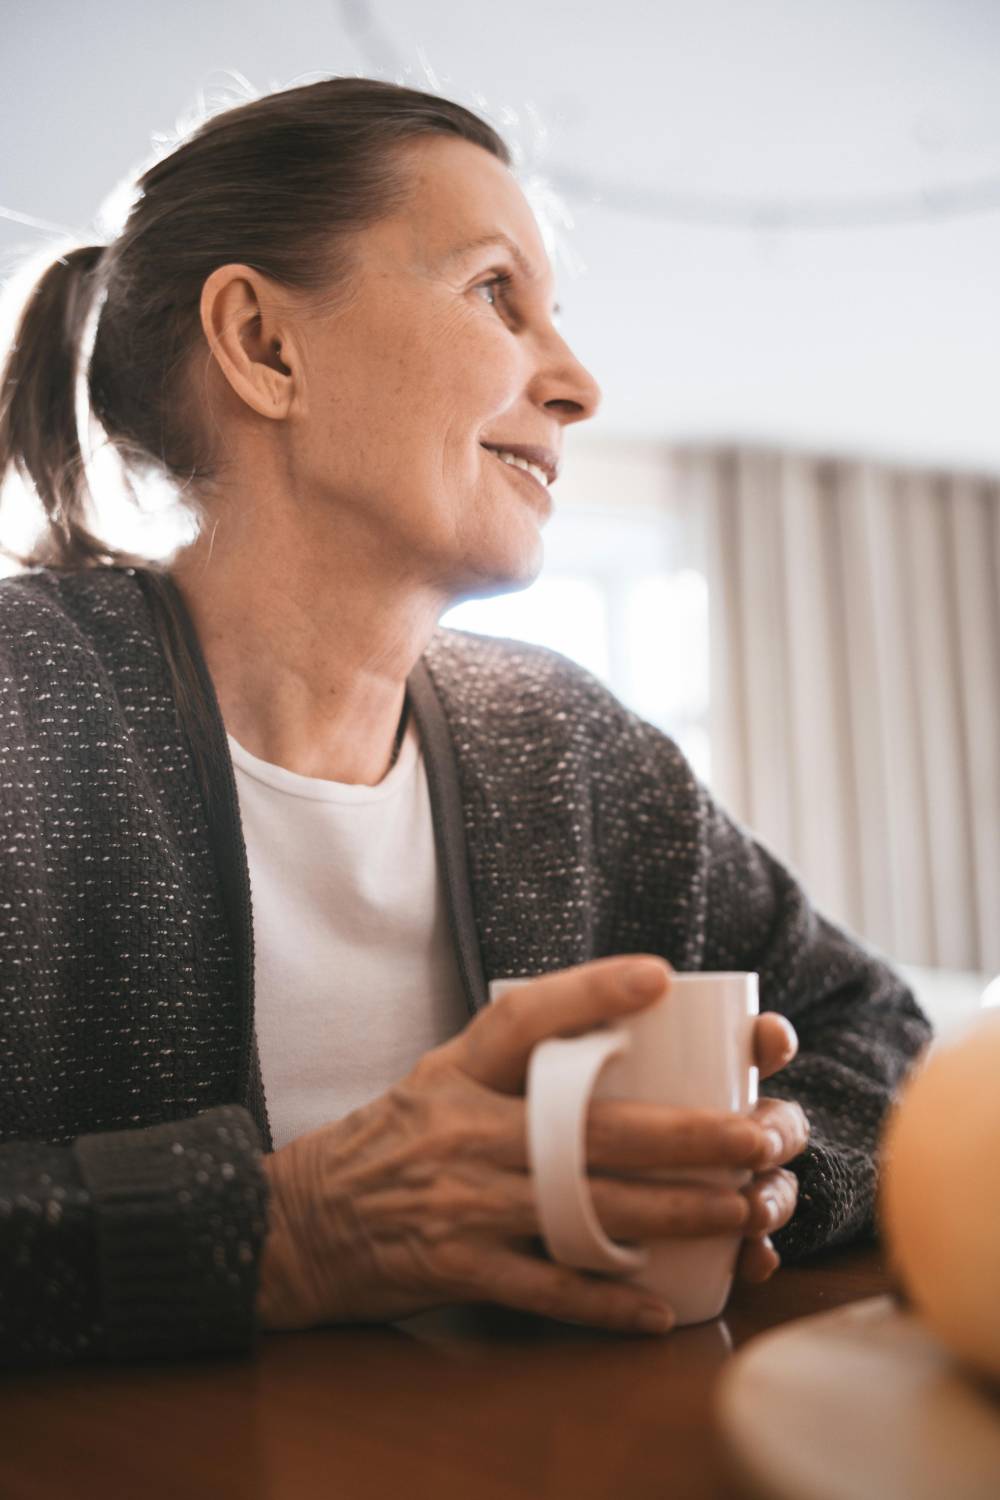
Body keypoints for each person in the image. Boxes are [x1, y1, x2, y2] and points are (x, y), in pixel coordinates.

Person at [0, 78, 931, 1371]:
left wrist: (771, 1169)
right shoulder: (17, 707)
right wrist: (286, 1233)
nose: (581, 384)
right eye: (498, 291)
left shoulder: (563, 741)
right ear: (265, 345)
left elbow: (877, 1033)